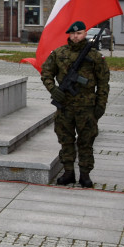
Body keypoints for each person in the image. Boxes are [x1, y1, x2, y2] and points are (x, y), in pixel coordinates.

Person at [40, 20, 109, 188]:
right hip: (65, 106)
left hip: (86, 108)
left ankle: (85, 175)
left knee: (86, 142)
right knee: (66, 141)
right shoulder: (58, 53)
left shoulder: (94, 57)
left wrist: (100, 106)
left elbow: (103, 84)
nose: (75, 36)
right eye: (72, 34)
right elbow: (46, 72)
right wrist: (53, 89)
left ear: (85, 34)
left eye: (79, 33)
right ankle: (68, 173)